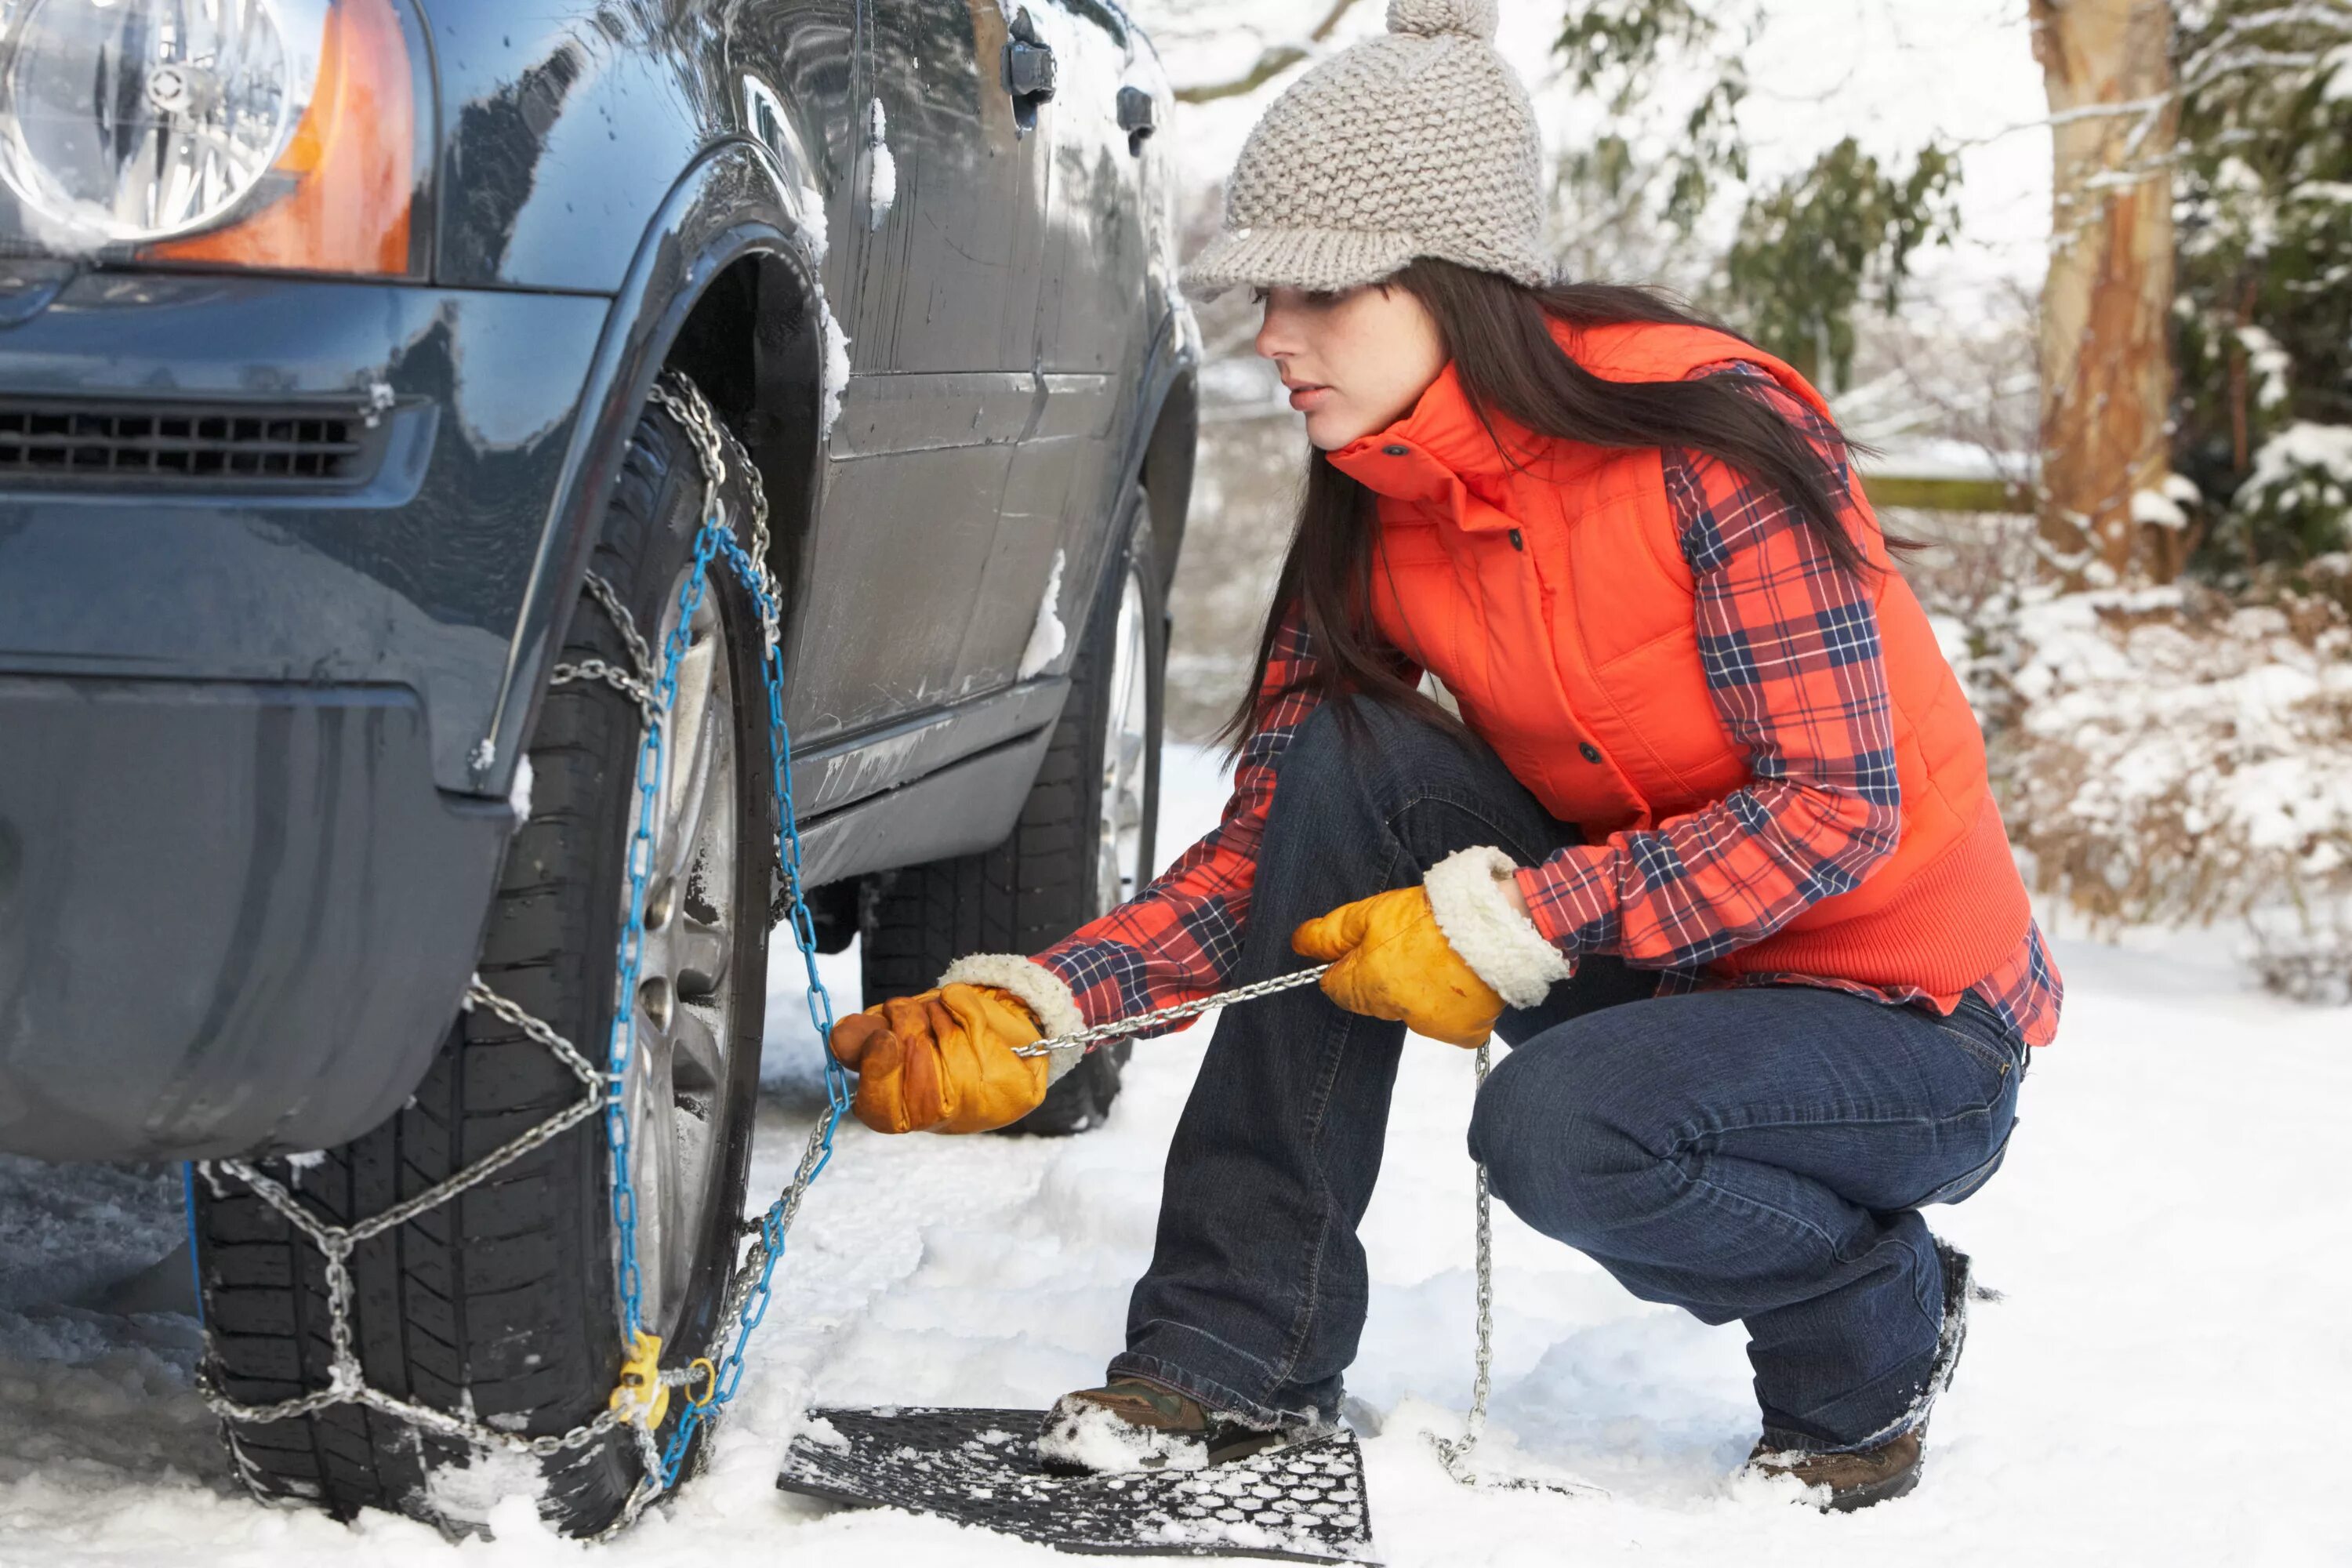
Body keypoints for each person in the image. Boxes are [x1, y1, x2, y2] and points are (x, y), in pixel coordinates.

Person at [823, 0, 2059, 1513]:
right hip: (1670, 976)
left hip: (1905, 1028)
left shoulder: (1709, 455)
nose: (1273, 334)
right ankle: (1237, 1352)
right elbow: (1277, 855)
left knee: (1557, 1125)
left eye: (1318, 291)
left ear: (1451, 286)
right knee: (1350, 755)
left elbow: (1836, 805)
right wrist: (1052, 1004)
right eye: (1266, 290)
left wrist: (1521, 919)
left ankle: (1873, 1329)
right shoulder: (1378, 505)